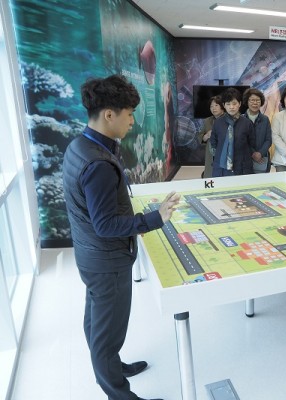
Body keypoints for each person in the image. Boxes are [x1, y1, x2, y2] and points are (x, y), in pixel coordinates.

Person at [62, 74, 180, 400]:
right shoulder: (98, 163)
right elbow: (105, 224)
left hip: (90, 255)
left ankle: (112, 367)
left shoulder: (79, 146)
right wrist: (156, 218)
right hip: (107, 261)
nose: (132, 121)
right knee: (107, 332)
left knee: (97, 322)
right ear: (109, 114)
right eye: (129, 114)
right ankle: (119, 393)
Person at [210, 87, 256, 177]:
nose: (231, 107)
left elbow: (252, 143)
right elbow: (213, 142)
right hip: (221, 167)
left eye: (234, 103)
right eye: (228, 104)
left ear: (239, 104)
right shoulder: (218, 123)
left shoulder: (247, 123)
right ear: (224, 105)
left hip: (242, 166)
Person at [242, 88, 272, 173]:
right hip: (245, 158)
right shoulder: (241, 119)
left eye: (257, 100)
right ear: (247, 101)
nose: (255, 103)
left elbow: (268, 140)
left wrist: (260, 153)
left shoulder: (265, 119)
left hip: (262, 159)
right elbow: (241, 140)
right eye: (252, 100)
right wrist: (253, 153)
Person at [199, 95, 225, 178]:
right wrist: (206, 135)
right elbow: (200, 137)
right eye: (211, 106)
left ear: (222, 106)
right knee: (210, 175)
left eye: (216, 105)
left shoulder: (228, 119)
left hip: (225, 154)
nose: (214, 108)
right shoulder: (207, 121)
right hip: (211, 154)